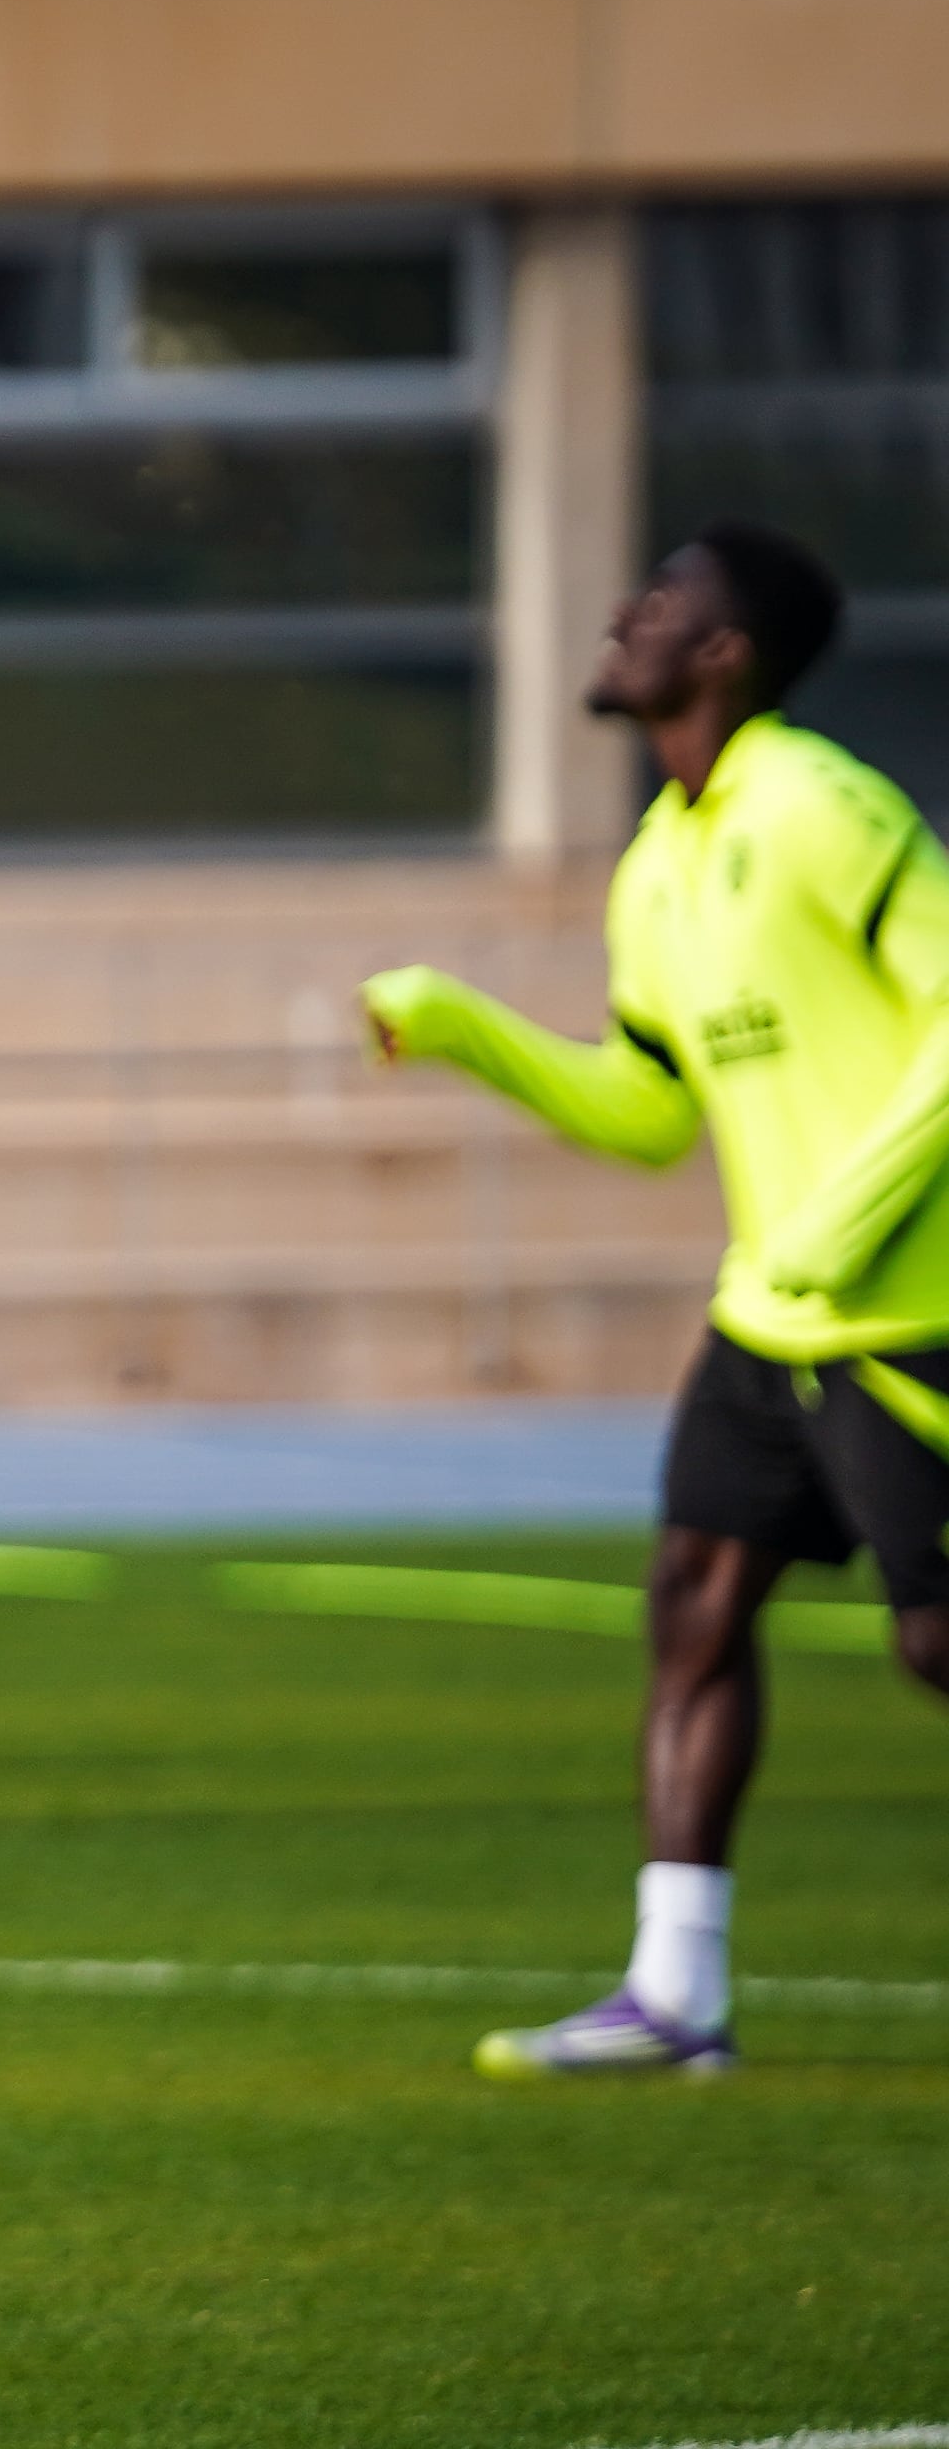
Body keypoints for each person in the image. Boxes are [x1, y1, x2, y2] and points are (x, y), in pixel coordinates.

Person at [366, 521, 949, 2077]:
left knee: (935, 1645)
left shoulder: (827, 809)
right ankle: (676, 1993)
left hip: (911, 1316)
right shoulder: (659, 867)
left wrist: (849, 1213)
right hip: (773, 1315)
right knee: (693, 1602)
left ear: (725, 653)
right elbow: (648, 1111)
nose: (622, 618)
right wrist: (465, 1029)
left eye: (661, 602)